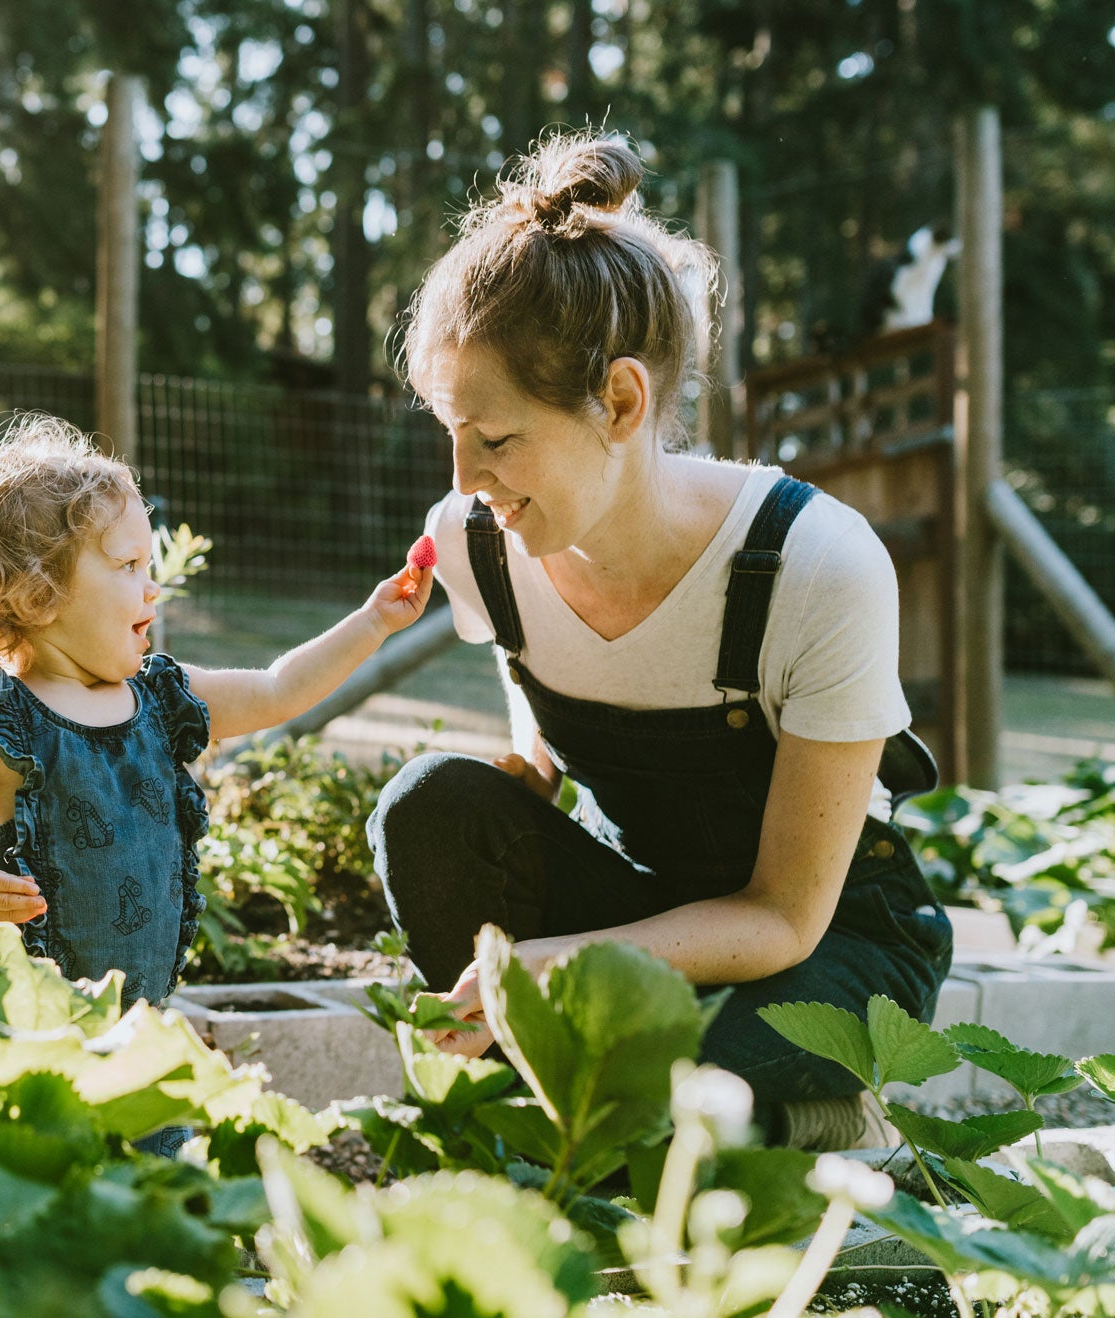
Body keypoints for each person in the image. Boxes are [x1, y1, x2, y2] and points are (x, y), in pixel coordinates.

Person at [372, 132, 952, 1151]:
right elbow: (546, 689)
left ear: (623, 401)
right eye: (450, 431)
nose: (464, 478)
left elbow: (782, 917)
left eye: (497, 439)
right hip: (649, 906)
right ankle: (577, 1111)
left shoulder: (815, 563)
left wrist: (569, 965)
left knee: (662, 1063)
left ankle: (811, 1114)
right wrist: (532, 778)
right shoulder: (481, 544)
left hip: (823, 949)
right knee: (429, 805)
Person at [0, 415, 433, 1015]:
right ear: (37, 594)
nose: (152, 589)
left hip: (136, 1019)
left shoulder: (161, 699)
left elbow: (279, 690)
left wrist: (375, 621)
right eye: (128, 567)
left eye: (150, 567)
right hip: (24, 1020)